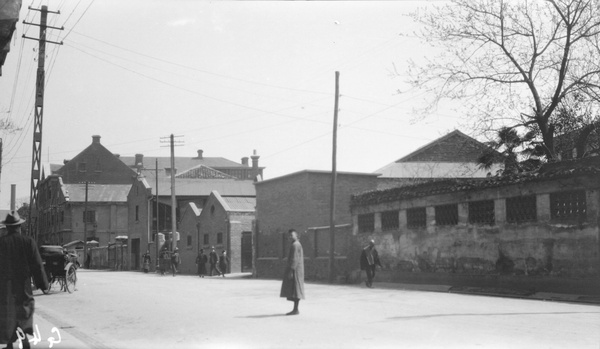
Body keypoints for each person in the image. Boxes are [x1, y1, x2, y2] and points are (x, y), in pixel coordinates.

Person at [0, 211, 48, 349]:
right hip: (23, 286)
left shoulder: (1, 243)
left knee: (8, 314)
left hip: (5, 287)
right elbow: (37, 266)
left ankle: (10, 344)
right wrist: (43, 284)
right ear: (19, 226)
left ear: (7, 227)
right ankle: (24, 341)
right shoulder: (28, 242)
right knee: (24, 313)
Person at [280, 229, 305, 315]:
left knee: (295, 290)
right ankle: (295, 309)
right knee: (293, 290)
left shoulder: (295, 245)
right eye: (289, 236)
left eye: (292, 235)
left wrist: (291, 271)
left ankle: (295, 309)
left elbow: (294, 259)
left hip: (295, 271)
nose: (290, 237)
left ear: (296, 236)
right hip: (296, 270)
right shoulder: (295, 244)